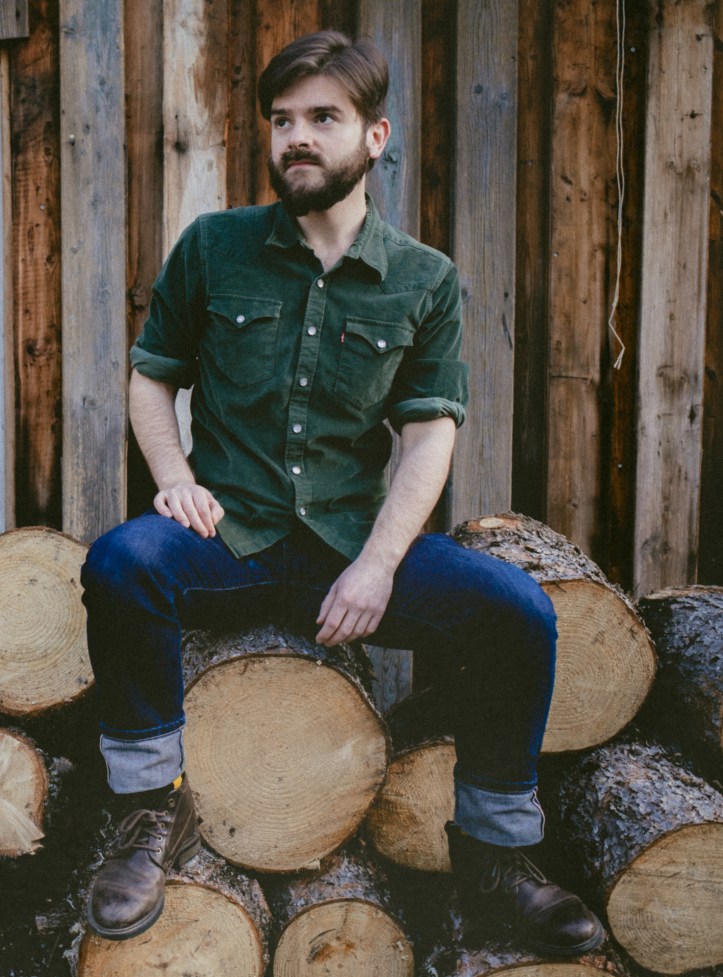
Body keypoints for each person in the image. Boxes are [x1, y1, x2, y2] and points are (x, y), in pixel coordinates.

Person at [81, 30, 604, 955]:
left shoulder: (423, 279)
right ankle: (150, 813)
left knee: (516, 610)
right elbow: (152, 374)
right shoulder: (213, 248)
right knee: (122, 563)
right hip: (226, 539)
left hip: (349, 551)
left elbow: (428, 434)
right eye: (282, 119)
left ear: (374, 136)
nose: (296, 137)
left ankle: (493, 860)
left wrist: (377, 564)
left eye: (322, 118)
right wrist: (175, 480)